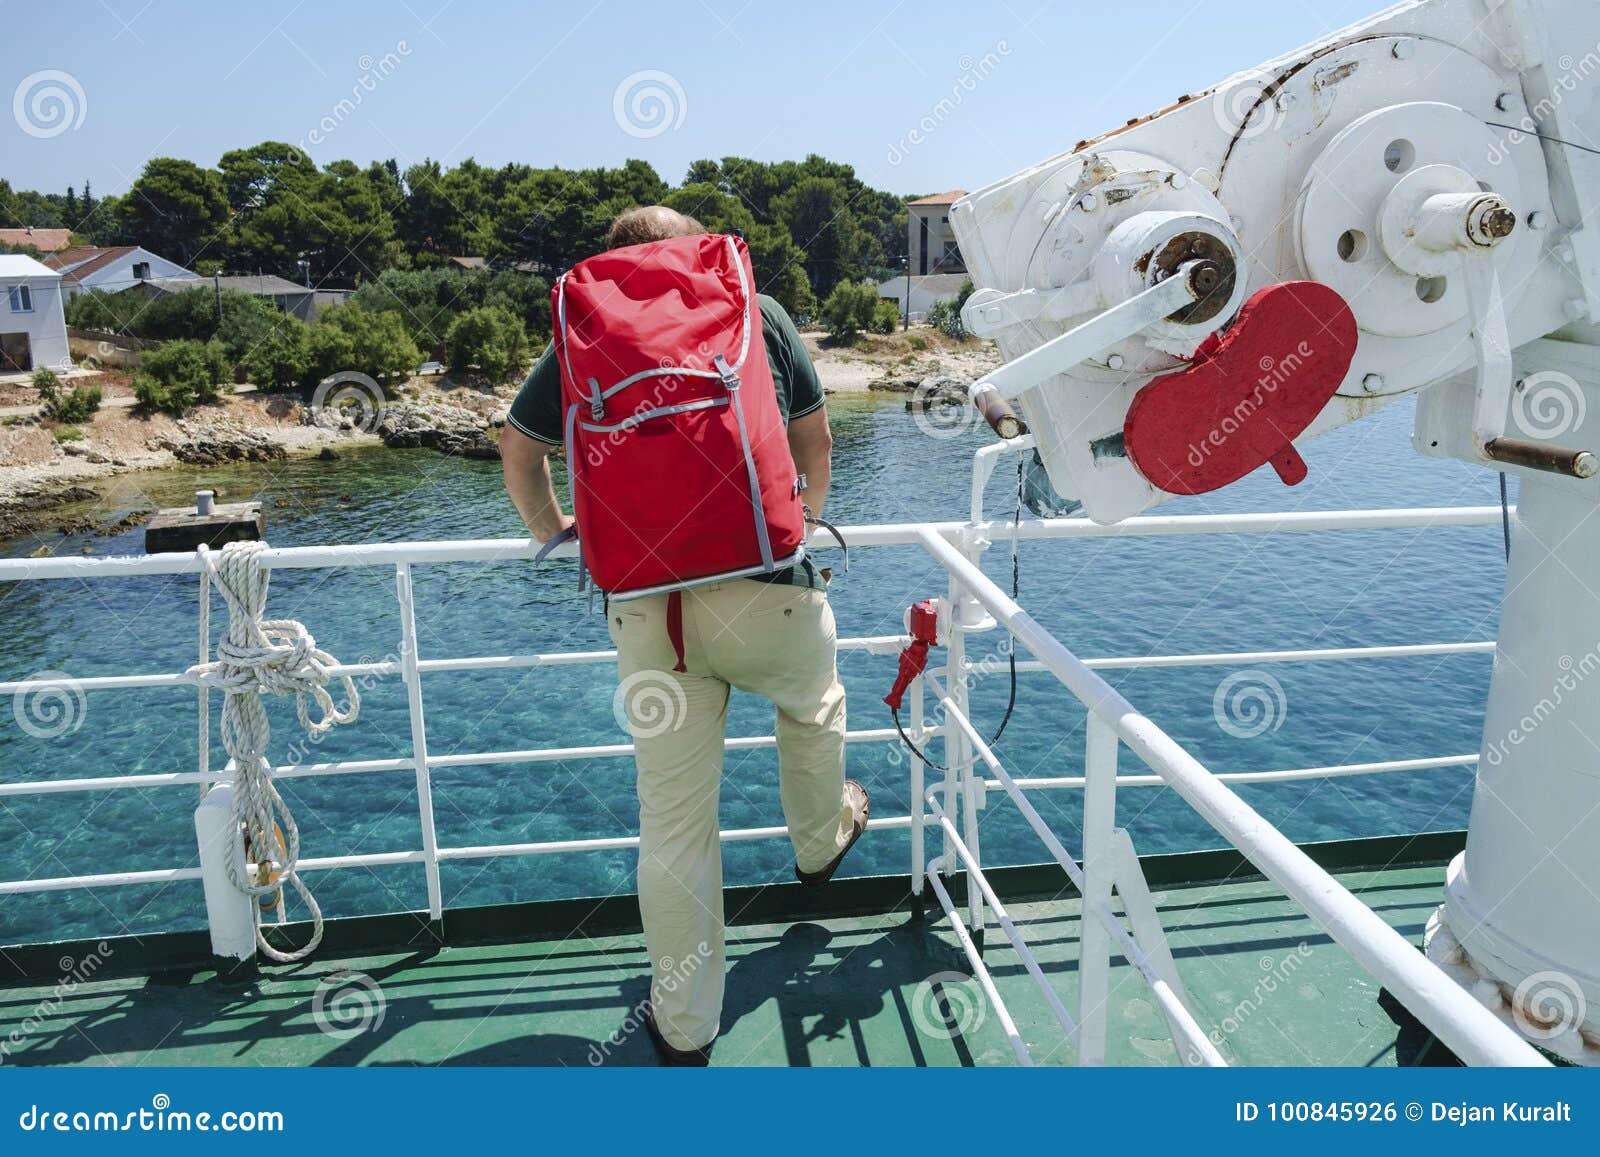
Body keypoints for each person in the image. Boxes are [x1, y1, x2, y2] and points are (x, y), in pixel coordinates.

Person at [499, 206, 869, 1066]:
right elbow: (815, 442)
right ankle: (819, 842)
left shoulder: (588, 327)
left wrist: (563, 535)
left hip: (651, 614)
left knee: (673, 825)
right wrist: (800, 524)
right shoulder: (755, 307)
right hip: (768, 590)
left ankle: (685, 1026)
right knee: (812, 711)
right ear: (691, 245)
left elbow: (520, 451)